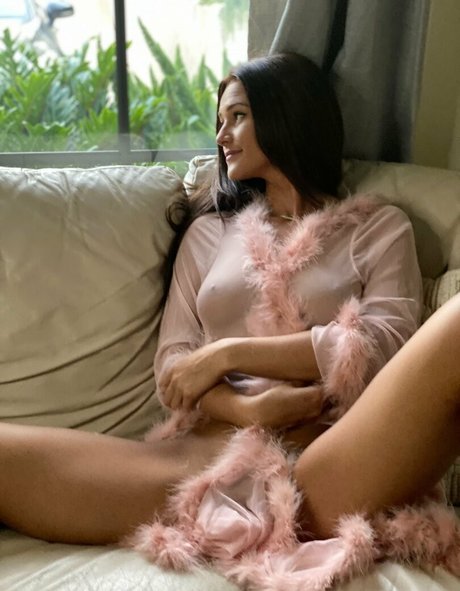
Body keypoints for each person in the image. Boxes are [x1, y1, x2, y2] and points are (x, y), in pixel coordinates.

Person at [0, 53, 459, 566]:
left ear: (288, 115)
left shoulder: (379, 229)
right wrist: (250, 410)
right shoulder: (207, 234)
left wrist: (227, 353)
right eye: (219, 121)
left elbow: (382, 348)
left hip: (325, 458)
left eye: (237, 116)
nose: (221, 135)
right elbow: (175, 369)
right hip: (203, 458)